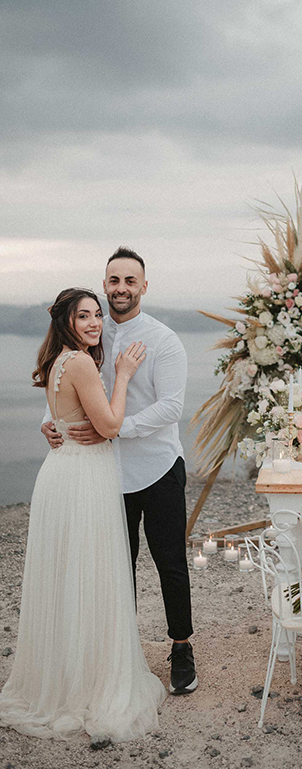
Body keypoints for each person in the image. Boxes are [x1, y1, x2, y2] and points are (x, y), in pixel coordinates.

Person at [0, 288, 166, 741]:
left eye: (97, 315)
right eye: (83, 316)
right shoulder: (80, 362)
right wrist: (124, 375)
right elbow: (110, 426)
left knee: (67, 577)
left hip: (60, 472)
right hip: (83, 478)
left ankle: (63, 678)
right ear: (66, 322)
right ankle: (88, 686)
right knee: (90, 574)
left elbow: (64, 414)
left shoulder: (58, 361)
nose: (94, 323)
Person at [41, 247, 196, 695]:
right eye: (114, 280)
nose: (121, 289)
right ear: (104, 284)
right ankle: (121, 654)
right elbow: (66, 386)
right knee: (114, 567)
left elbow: (171, 407)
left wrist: (113, 430)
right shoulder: (90, 331)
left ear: (144, 286)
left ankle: (181, 647)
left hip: (158, 467)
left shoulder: (163, 339)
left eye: (130, 281)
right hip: (105, 473)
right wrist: (49, 422)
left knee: (170, 563)